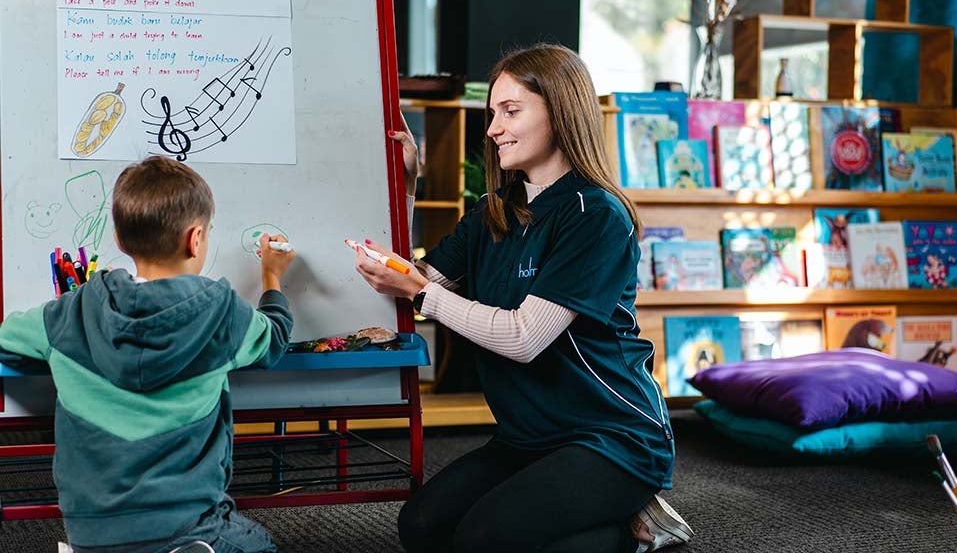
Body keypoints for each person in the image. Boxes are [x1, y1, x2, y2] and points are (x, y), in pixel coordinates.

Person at [356, 44, 693, 553]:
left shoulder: (595, 215)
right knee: (421, 527)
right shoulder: (495, 209)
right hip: (527, 438)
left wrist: (424, 293)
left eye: (511, 111)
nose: (492, 128)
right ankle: (606, 517)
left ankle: (634, 530)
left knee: (482, 542)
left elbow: (524, 337)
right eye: (493, 113)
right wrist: (406, 186)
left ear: (560, 114)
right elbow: (409, 281)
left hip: (612, 438)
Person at [0, 156, 295, 553]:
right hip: (189, 522)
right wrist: (272, 277)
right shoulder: (221, 312)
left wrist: (60, 353)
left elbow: (7, 342)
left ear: (120, 241)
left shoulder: (68, 314)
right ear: (195, 239)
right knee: (259, 544)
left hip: (92, 534)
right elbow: (274, 337)